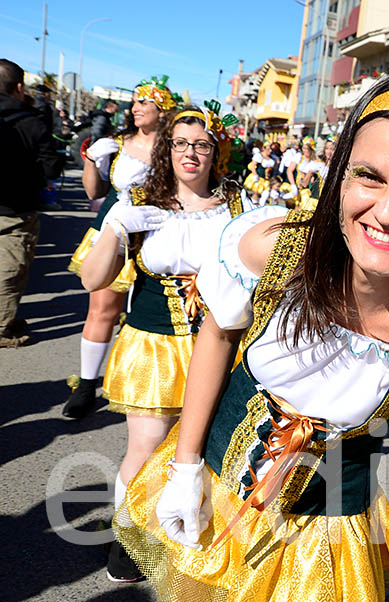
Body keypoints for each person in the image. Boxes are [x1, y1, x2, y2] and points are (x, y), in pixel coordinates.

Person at [115, 57, 389, 600]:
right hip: (220, 495)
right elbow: (216, 339)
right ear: (340, 175)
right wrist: (185, 465)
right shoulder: (270, 250)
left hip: (330, 537)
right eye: (369, 176)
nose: (387, 212)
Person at [80, 103, 245, 581]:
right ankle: (127, 537)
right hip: (155, 342)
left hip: (221, 346)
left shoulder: (237, 206)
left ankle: (187, 534)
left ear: (217, 151)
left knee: (206, 449)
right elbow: (94, 280)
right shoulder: (138, 201)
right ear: (166, 150)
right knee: (148, 446)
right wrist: (115, 225)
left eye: (201, 144)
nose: (190, 153)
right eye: (180, 143)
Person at [63, 77, 177, 419]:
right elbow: (93, 192)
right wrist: (91, 161)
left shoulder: (172, 148)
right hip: (112, 233)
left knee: (147, 315)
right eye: (135, 103)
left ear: (162, 111)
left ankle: (138, 382)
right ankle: (85, 385)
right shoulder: (115, 142)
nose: (136, 108)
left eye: (145, 103)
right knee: (102, 309)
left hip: (153, 238)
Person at [0, 59, 61, 348]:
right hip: (16, 208)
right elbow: (51, 168)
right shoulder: (32, 121)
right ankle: (2, 328)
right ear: (20, 87)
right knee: (11, 269)